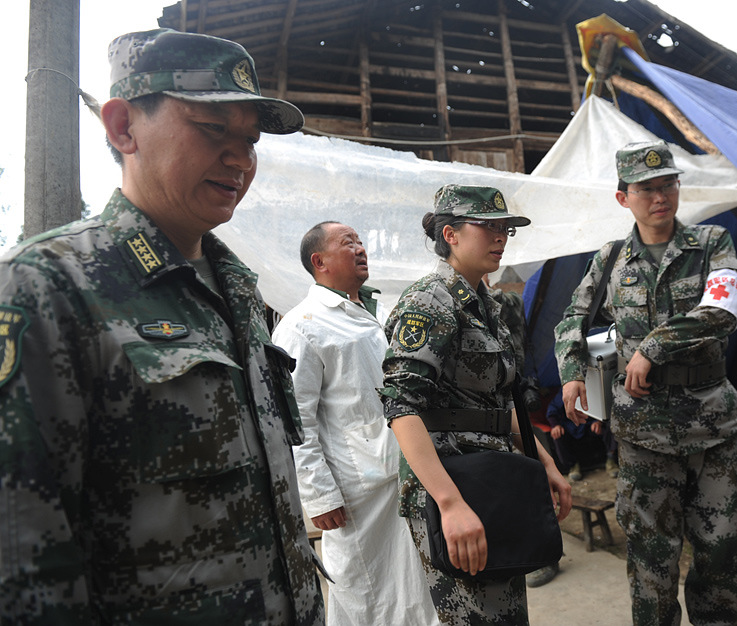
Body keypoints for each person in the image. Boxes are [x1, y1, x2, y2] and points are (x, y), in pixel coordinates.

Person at [0, 29, 325, 624]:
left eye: (250, 140)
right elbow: (23, 568)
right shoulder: (47, 287)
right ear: (123, 127)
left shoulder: (240, 291)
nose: (241, 159)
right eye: (212, 129)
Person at [554, 140, 737, 625]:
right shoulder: (611, 259)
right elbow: (571, 321)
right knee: (650, 561)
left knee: (722, 552)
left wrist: (651, 348)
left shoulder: (711, 243)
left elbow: (723, 310)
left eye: (668, 185)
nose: (660, 197)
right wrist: (571, 373)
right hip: (643, 434)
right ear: (624, 198)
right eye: (646, 189)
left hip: (712, 426)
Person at [379, 184, 572, 625]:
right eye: (488, 227)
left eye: (505, 228)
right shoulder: (430, 302)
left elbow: (500, 405)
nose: (500, 237)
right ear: (450, 234)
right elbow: (401, 408)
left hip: (491, 476)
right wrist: (448, 503)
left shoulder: (486, 304)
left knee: (503, 611)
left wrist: (543, 464)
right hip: (455, 480)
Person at [271, 221, 439, 626]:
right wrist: (319, 496)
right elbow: (294, 421)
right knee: (366, 593)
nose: (361, 249)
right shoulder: (303, 325)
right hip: (354, 490)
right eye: (349, 243)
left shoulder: (368, 311)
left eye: (362, 242)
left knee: (415, 588)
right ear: (320, 261)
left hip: (397, 472)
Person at [543, 389, 618, 481]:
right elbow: (552, 410)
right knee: (557, 435)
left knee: (611, 425)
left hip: (589, 424)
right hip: (570, 426)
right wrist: (555, 425)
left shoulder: (592, 389)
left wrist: (599, 421)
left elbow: (604, 408)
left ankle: (611, 460)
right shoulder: (565, 390)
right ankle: (573, 466)